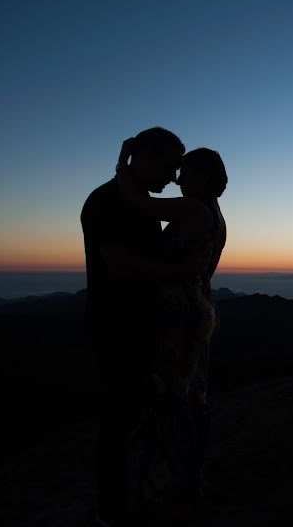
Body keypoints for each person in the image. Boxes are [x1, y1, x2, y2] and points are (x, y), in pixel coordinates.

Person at [81, 126, 189, 526]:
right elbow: (121, 267)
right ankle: (112, 510)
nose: (174, 177)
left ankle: (137, 494)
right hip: (115, 327)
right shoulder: (106, 201)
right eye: (170, 166)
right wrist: (180, 271)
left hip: (143, 324)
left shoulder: (138, 201)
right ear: (145, 158)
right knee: (118, 419)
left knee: (137, 415)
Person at [116, 140, 228, 522]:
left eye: (186, 172)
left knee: (170, 395)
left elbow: (137, 203)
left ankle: (171, 483)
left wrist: (125, 158)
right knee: (192, 395)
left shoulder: (192, 208)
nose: (178, 180)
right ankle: (189, 477)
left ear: (205, 176)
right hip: (200, 307)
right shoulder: (216, 215)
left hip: (178, 313)